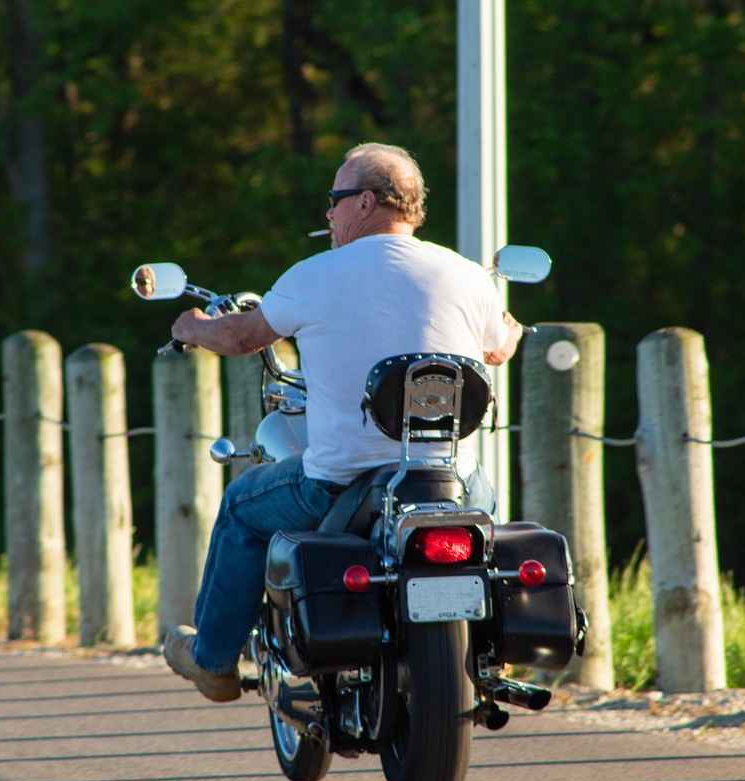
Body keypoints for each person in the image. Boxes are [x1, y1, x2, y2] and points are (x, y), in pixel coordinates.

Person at [162, 142, 523, 701]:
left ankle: (212, 661)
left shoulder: (315, 275)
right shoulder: (467, 275)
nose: (327, 213)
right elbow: (500, 347)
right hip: (450, 486)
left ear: (365, 202)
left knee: (240, 505)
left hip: (338, 485)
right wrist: (511, 328)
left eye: (334, 199)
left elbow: (240, 336)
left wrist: (191, 327)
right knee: (490, 516)